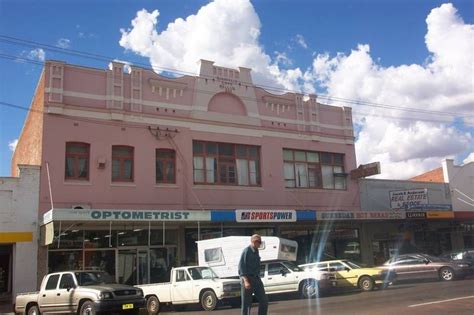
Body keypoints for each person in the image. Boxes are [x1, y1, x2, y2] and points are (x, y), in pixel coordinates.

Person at [238, 234, 268, 315]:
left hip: (256, 279)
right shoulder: (246, 251)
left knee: (264, 300)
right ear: (254, 242)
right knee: (246, 304)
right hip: (248, 279)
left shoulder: (256, 251)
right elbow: (241, 267)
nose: (260, 244)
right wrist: (246, 281)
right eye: (259, 242)